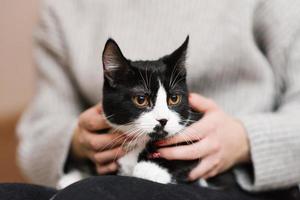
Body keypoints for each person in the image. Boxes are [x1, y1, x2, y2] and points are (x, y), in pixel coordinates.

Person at [8, 0, 300, 199]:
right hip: (102, 173)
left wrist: (245, 139)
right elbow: (38, 135)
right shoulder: (63, 8)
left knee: (96, 195)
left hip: (234, 180)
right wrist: (75, 143)